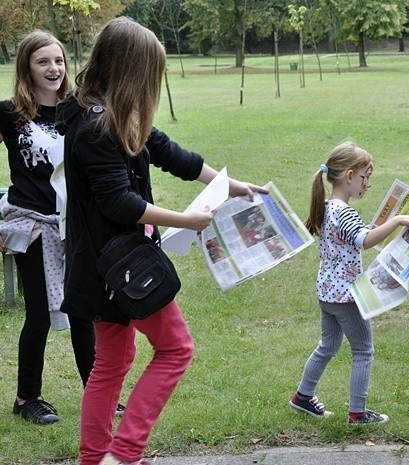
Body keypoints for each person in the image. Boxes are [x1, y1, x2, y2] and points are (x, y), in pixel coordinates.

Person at [55, 17, 266, 465]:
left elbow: (171, 154)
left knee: (111, 363)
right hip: (120, 267)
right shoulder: (97, 126)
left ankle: (95, 458)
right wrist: (187, 219)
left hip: (103, 267)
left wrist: (231, 184)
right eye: (151, 72)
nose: (154, 82)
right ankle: (125, 453)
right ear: (129, 70)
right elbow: (120, 203)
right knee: (175, 349)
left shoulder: (106, 110)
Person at [0, 30, 100, 425]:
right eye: (43, 61)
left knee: (83, 314)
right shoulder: (10, 113)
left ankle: (98, 394)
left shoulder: (78, 109)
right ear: (26, 66)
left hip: (73, 228)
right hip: (32, 227)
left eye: (58, 60)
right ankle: (27, 399)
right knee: (39, 314)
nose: (53, 68)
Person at [289, 141, 409, 425]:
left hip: (326, 293)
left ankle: (302, 396)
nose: (367, 184)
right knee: (363, 350)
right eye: (365, 177)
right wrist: (396, 220)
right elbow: (364, 240)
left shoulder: (326, 207)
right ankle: (358, 413)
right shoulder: (344, 212)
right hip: (346, 298)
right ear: (349, 176)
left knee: (328, 346)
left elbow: (356, 237)